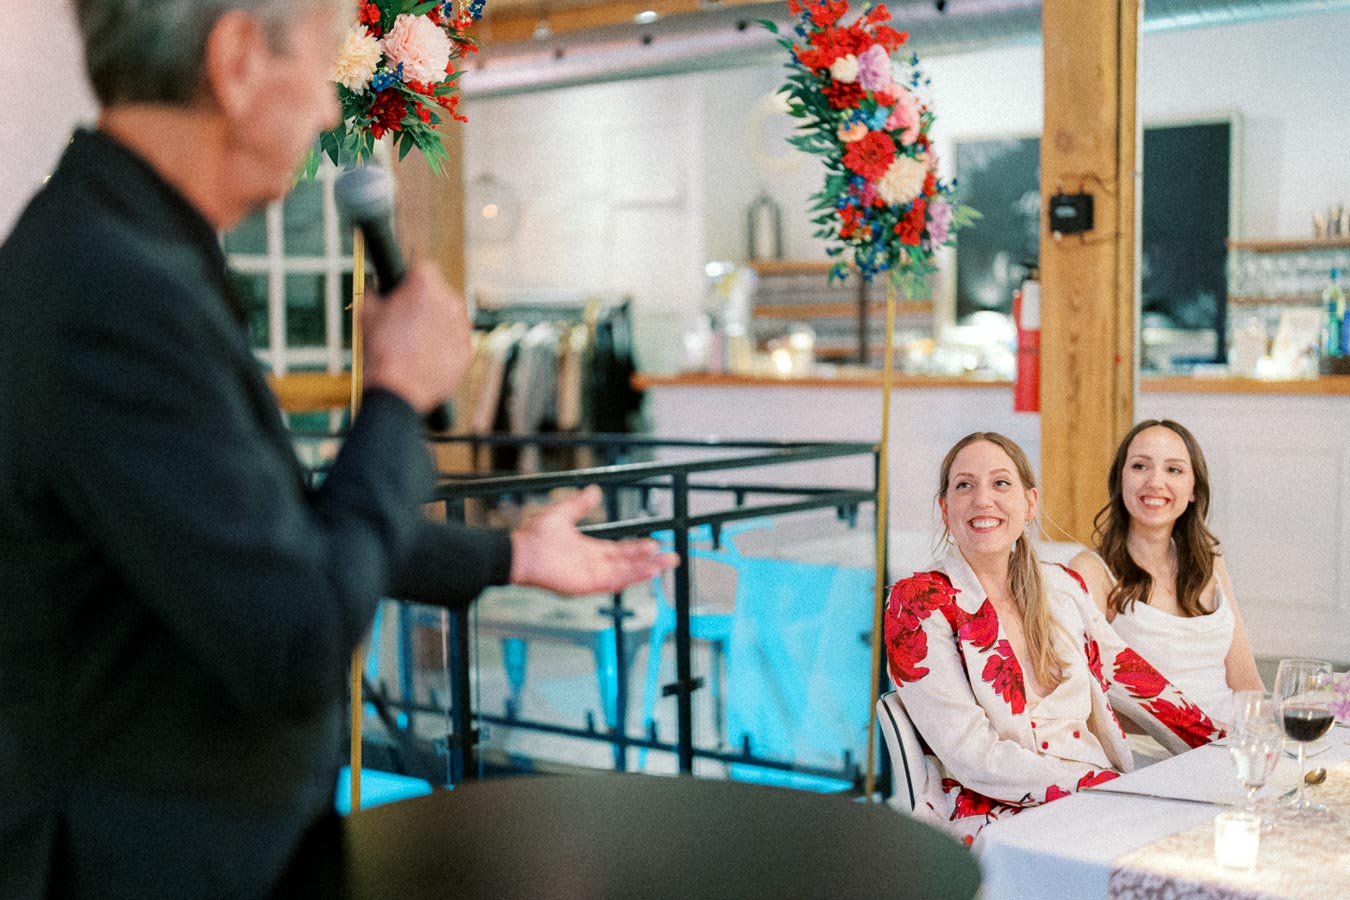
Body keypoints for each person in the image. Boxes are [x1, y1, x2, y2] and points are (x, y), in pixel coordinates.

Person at [0, 1, 675, 896]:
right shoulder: (112, 285)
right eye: (320, 68)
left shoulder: (118, 248)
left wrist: (511, 552)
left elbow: (258, 533)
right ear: (238, 58)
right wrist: (397, 393)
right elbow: (299, 637)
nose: (328, 112)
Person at [883, 432, 1223, 846]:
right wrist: (1099, 787)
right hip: (993, 811)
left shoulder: (1062, 586)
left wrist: (1224, 747)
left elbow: (1131, 675)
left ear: (1029, 503)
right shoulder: (918, 603)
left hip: (1098, 794)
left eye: (1001, 483)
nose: (983, 499)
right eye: (965, 485)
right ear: (945, 507)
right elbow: (972, 755)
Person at [1070, 420, 1263, 729]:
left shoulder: (1209, 560)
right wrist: (1197, 737)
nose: (1155, 482)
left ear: (1194, 491)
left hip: (1232, 746)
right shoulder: (1092, 572)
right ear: (1120, 481)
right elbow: (1084, 702)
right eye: (1140, 466)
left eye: (1173, 470)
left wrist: (1270, 744)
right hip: (1153, 760)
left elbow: (1246, 682)